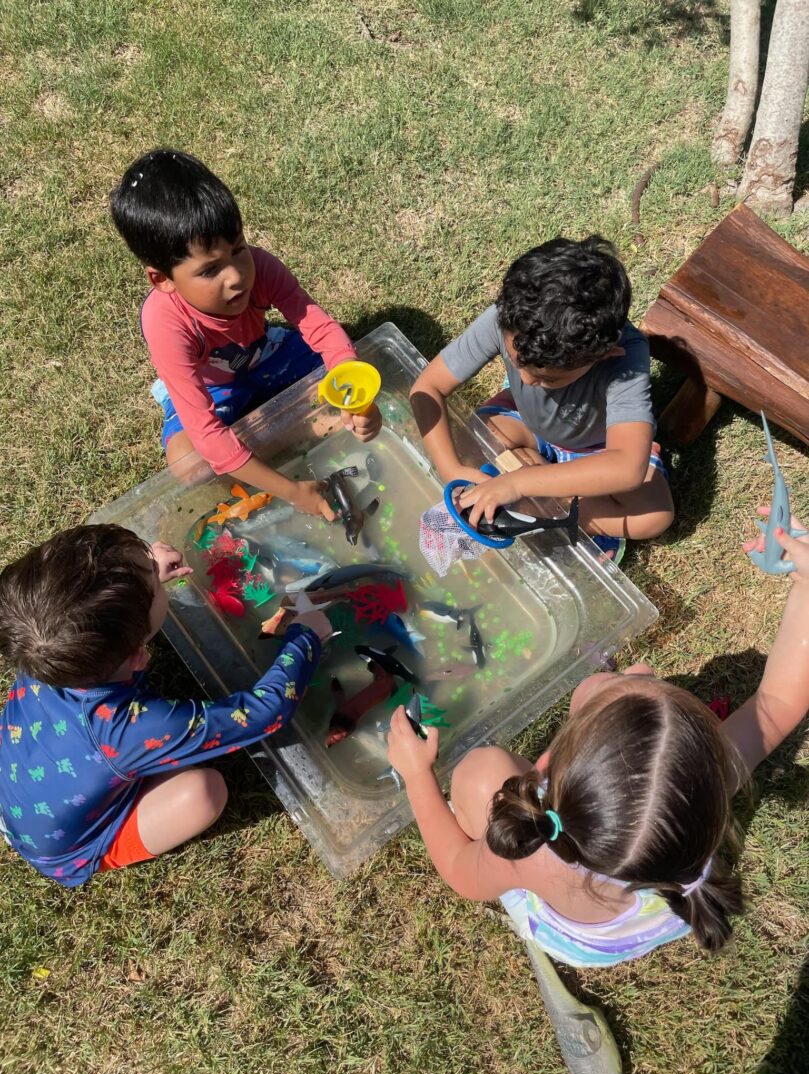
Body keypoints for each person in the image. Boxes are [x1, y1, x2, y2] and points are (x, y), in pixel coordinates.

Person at [386, 510, 809, 966]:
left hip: (581, 937)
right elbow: (781, 700)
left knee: (480, 771)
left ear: (553, 763)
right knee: (590, 704)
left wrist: (416, 777)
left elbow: (461, 873)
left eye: (626, 680)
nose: (642, 668)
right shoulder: (700, 784)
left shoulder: (535, 850)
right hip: (654, 904)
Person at [0, 524, 331, 887]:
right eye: (152, 584)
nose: (151, 559)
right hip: (65, 850)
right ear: (138, 653)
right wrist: (307, 638)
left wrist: (144, 579)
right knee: (203, 793)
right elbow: (263, 714)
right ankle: (98, 846)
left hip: (18, 786)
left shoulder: (46, 643)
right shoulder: (133, 728)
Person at [110, 148, 381, 519]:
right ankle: (306, 424)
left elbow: (318, 326)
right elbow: (205, 433)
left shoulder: (262, 267)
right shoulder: (165, 323)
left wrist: (357, 398)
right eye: (210, 270)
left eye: (238, 250)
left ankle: (285, 427)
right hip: (214, 387)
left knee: (343, 353)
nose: (236, 276)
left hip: (268, 353)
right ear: (162, 279)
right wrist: (291, 491)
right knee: (188, 464)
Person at [409, 236, 674, 560]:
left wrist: (520, 484)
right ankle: (547, 497)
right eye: (514, 361)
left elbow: (627, 465)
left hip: (598, 450)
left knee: (654, 516)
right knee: (469, 440)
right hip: (527, 423)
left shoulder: (627, 358)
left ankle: (549, 502)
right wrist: (450, 469)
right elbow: (428, 387)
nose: (525, 380)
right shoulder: (508, 318)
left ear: (604, 355)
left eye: (547, 378)